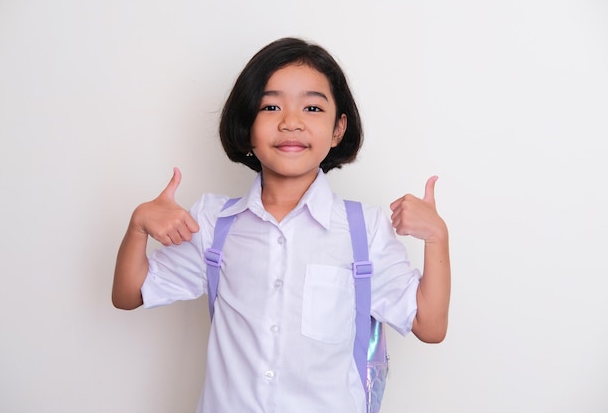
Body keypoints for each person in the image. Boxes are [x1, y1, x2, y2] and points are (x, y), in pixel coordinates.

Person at [112, 37, 451, 413]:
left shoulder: (364, 230)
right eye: (271, 106)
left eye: (312, 107)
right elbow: (129, 295)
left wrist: (437, 236)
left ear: (338, 129)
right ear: (247, 124)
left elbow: (429, 326)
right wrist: (138, 227)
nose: (291, 122)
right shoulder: (214, 223)